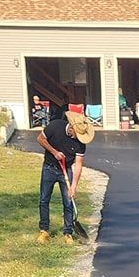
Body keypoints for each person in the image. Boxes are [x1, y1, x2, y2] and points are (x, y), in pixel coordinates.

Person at [35, 102, 82, 240]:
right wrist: (54, 152)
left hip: (65, 171)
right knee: (44, 199)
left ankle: (68, 232)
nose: (78, 137)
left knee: (68, 202)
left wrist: (73, 186)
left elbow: (78, 164)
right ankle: (44, 230)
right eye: (77, 134)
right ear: (72, 128)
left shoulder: (80, 143)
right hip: (49, 168)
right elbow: (40, 139)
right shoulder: (55, 126)